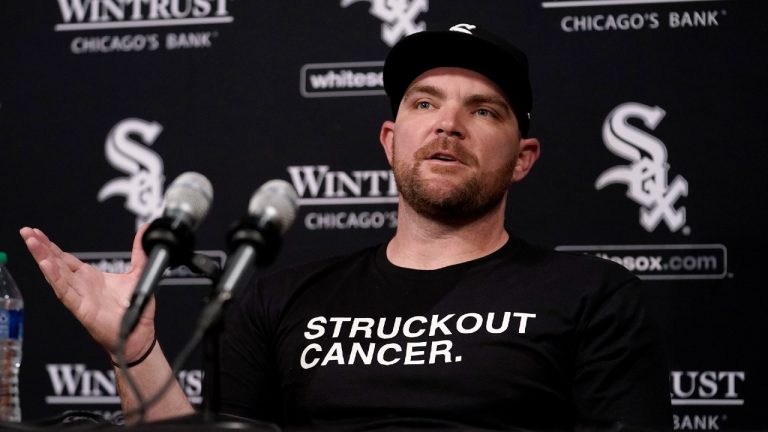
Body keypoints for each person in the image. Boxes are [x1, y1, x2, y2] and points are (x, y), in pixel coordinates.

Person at [20, 23, 672, 430]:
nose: (449, 124)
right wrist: (133, 349)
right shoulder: (279, 299)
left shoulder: (592, 295)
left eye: (485, 111)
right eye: (425, 104)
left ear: (523, 158)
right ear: (391, 139)